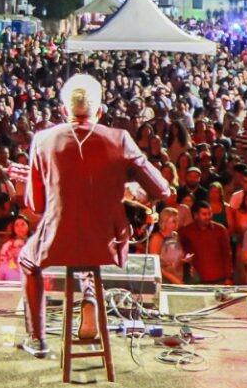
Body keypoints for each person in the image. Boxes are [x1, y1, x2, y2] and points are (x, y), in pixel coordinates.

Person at [13, 74, 171, 358]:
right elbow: (162, 189)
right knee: (87, 254)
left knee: (27, 260)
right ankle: (89, 297)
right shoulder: (120, 139)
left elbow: (35, 205)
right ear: (100, 111)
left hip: (57, 242)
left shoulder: (42, 140)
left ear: (63, 111)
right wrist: (127, 186)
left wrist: (43, 179)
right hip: (107, 243)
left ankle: (36, 339)